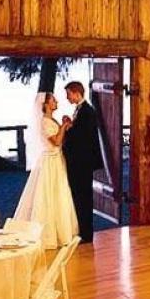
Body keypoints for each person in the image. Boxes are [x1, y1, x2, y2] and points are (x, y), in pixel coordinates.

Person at [13, 93, 78, 249]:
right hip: (50, 161)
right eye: (53, 100)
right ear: (46, 104)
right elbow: (56, 142)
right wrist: (63, 127)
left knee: (59, 194)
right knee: (48, 195)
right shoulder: (44, 122)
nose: (56, 102)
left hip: (56, 160)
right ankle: (47, 234)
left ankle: (60, 231)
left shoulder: (51, 120)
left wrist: (65, 126)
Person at [60, 81, 104, 244]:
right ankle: (82, 230)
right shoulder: (81, 111)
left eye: (68, 94)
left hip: (82, 163)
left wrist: (68, 129)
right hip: (79, 163)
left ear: (76, 93)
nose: (67, 97)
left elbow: (83, 139)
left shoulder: (88, 111)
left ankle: (86, 233)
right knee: (79, 196)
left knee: (84, 197)